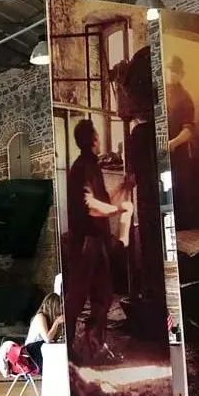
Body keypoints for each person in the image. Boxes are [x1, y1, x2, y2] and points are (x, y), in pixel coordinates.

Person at [63, 119, 127, 357]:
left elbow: (103, 200)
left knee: (104, 294)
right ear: (93, 139)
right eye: (97, 135)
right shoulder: (82, 167)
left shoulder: (91, 166)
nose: (100, 139)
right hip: (86, 242)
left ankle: (94, 342)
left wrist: (124, 187)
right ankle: (69, 348)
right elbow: (90, 205)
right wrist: (119, 210)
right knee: (78, 297)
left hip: (96, 241)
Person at [24, 293, 64, 372]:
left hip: (42, 348)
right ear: (52, 307)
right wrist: (56, 323)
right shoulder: (40, 317)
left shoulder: (51, 318)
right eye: (59, 306)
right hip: (32, 350)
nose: (60, 309)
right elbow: (47, 339)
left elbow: (54, 339)